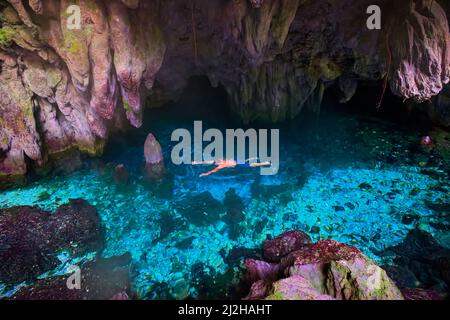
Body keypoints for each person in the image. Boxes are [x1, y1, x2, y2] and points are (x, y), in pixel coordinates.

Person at [192, 158, 271, 177]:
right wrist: (205, 174)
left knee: (251, 165)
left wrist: (197, 162)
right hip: (237, 164)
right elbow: (213, 171)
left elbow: (208, 162)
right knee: (249, 164)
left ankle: (264, 163)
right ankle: (253, 159)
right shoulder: (221, 165)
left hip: (237, 161)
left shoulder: (219, 160)